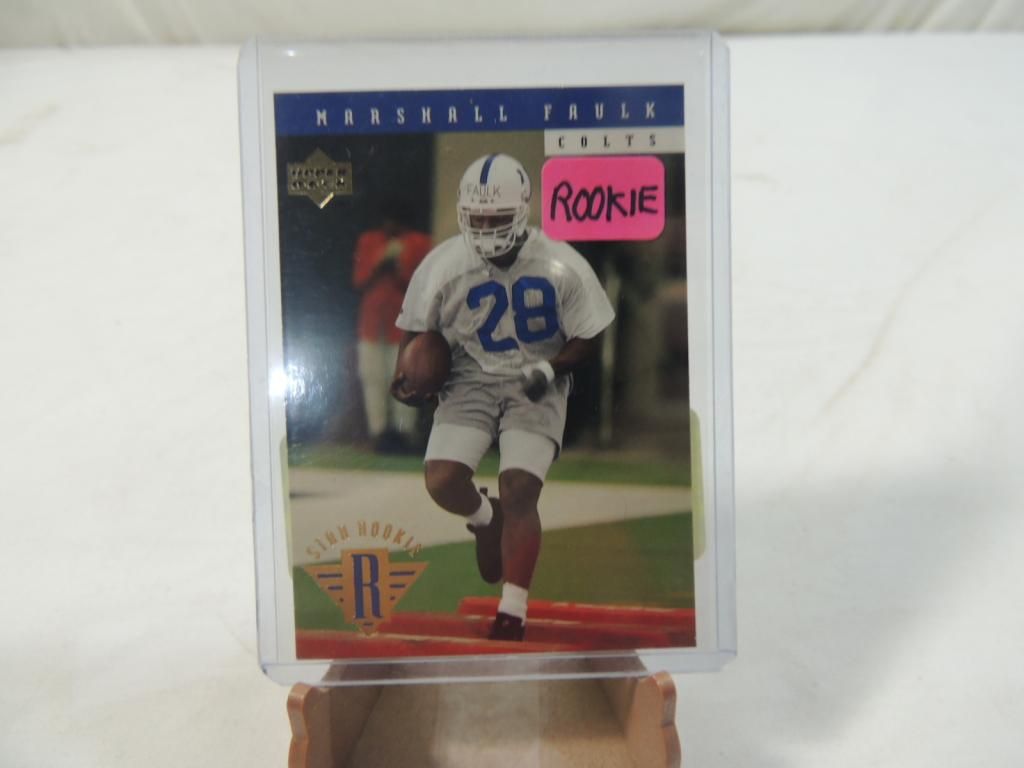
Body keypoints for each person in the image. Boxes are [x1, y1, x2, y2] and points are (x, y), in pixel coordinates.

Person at [391, 154, 615, 641]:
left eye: (496, 218)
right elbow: (415, 330)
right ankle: (484, 517)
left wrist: (551, 368)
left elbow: (590, 333)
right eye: (476, 218)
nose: (486, 229)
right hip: (469, 374)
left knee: (520, 488)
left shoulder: (562, 264)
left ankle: (513, 609)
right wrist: (405, 377)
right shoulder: (444, 264)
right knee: (442, 481)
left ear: (522, 211)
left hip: (536, 374)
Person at [351, 203, 431, 451]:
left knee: (405, 379)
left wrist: (397, 265)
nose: (390, 225)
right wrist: (380, 262)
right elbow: (359, 280)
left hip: (404, 324)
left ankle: (404, 434)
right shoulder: (369, 240)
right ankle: (378, 434)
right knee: (373, 378)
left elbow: (421, 282)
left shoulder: (419, 242)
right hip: (372, 324)